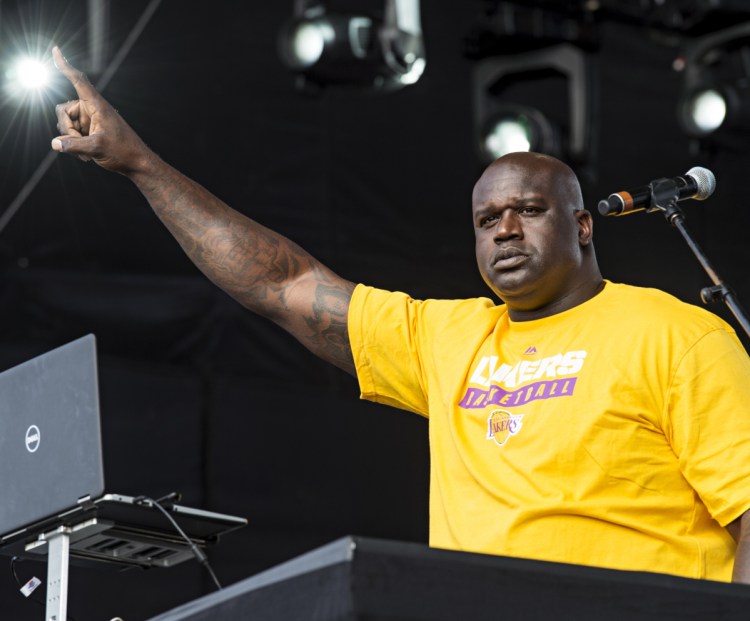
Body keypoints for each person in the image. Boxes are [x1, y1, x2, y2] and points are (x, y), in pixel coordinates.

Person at [50, 46, 750, 583]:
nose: (505, 228)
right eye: (486, 219)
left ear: (584, 227)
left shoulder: (678, 335)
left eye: (529, 211)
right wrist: (140, 164)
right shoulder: (445, 337)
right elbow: (284, 283)